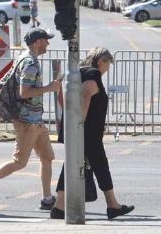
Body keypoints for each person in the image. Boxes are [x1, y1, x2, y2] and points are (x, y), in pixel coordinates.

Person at [0, 28, 62, 211]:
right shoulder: (30, 63)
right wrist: (49, 88)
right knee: (19, 162)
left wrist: (0, 111)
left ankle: (47, 199)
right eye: (46, 40)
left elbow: (8, 84)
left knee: (47, 157)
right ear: (37, 42)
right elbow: (24, 92)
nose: (48, 43)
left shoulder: (24, 58)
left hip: (34, 119)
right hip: (27, 120)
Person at [50, 47, 134, 220]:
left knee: (71, 164)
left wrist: (71, 120)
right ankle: (112, 205)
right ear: (101, 61)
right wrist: (80, 121)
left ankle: (59, 206)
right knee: (101, 165)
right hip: (86, 132)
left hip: (78, 130)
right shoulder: (93, 74)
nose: (108, 69)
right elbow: (87, 94)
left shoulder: (76, 72)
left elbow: (60, 96)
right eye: (108, 64)